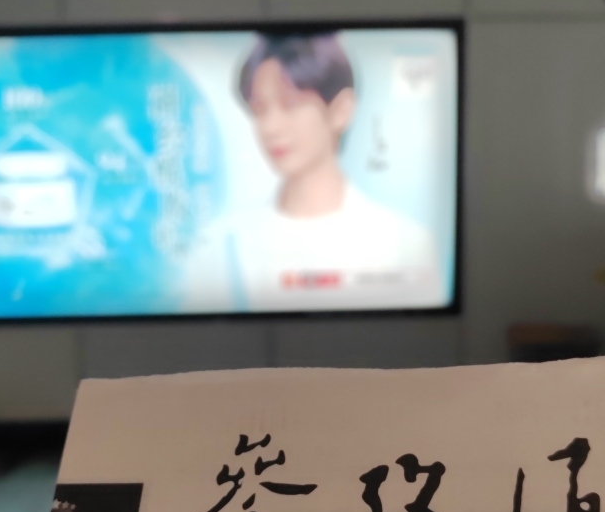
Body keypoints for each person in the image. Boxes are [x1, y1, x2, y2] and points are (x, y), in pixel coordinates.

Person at [184, 32, 442, 312]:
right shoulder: (221, 246)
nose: (270, 127)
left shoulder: (404, 242)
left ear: (341, 110)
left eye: (290, 104)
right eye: (260, 110)